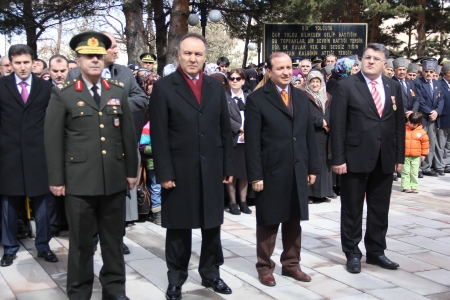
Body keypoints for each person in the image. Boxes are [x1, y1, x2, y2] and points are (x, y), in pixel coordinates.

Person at [44, 31, 138, 300]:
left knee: (113, 243)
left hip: (113, 180)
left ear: (106, 57)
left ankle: (115, 292)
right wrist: (56, 179)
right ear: (79, 60)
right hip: (79, 182)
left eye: (99, 56)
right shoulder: (63, 94)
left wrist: (131, 171)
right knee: (82, 245)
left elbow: (127, 136)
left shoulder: (117, 91)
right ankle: (79, 292)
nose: (95, 60)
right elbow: (53, 140)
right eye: (89, 56)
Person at [149, 33, 235, 300]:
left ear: (205, 57)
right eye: (188, 53)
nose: (193, 58)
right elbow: (159, 135)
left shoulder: (215, 86)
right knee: (178, 228)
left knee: (212, 226)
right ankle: (175, 278)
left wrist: (227, 166)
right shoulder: (164, 87)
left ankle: (211, 274)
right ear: (179, 56)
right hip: (179, 171)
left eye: (198, 54)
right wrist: (164, 172)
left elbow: (224, 130)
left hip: (211, 169)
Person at [245, 52, 319, 287]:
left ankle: (291, 264)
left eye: (289, 67)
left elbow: (308, 134)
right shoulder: (257, 99)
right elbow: (253, 142)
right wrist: (256, 175)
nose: (287, 72)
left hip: (297, 168)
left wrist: (312, 167)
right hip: (271, 170)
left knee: (293, 220)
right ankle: (264, 266)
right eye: (280, 68)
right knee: (268, 221)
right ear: (269, 71)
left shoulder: (300, 96)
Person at [331, 43, 405, 274]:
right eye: (367, 57)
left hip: (385, 158)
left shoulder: (393, 86)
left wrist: (399, 155)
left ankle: (376, 251)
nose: (371, 61)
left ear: (385, 63)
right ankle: (352, 252)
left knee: (380, 209)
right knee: (352, 208)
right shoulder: (347, 86)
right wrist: (338, 159)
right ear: (361, 60)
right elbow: (338, 125)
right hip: (354, 158)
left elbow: (398, 123)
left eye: (376, 58)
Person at [0, 44, 56, 267]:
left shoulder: (46, 88)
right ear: (11, 64)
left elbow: (53, 122)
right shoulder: (1, 87)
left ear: (32, 62)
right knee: (8, 205)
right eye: (17, 63)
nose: (22, 67)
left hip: (39, 154)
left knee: (43, 204)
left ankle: (43, 245)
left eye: (26, 62)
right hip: (8, 156)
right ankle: (9, 247)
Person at [225, 68, 252, 215]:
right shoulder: (224, 98)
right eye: (232, 78)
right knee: (232, 173)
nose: (235, 81)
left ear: (243, 81)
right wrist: (240, 128)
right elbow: (223, 117)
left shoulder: (249, 97)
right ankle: (232, 202)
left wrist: (248, 130)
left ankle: (243, 201)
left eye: (238, 78)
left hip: (247, 141)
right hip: (232, 140)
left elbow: (255, 116)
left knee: (244, 173)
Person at [305, 71, 332, 204]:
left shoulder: (327, 97)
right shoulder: (304, 96)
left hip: (325, 135)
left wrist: (328, 122)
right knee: (312, 161)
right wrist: (322, 123)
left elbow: (332, 113)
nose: (315, 84)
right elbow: (307, 115)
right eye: (312, 82)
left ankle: (323, 193)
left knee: (324, 163)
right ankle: (309, 194)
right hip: (312, 133)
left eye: (317, 81)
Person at [139, 71, 162, 225]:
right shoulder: (149, 126)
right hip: (154, 160)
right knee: (156, 186)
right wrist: (156, 152)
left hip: (168, 159)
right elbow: (143, 145)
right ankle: (157, 213)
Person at [416, 59, 444, 177]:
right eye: (426, 71)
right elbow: (419, 99)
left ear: (434, 72)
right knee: (419, 142)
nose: (428, 74)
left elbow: (441, 99)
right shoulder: (418, 82)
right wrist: (430, 112)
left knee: (431, 142)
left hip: (433, 118)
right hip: (422, 117)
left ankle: (427, 167)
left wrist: (437, 112)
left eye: (431, 72)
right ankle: (417, 168)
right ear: (422, 71)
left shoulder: (438, 83)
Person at [401, 112, 429, 193]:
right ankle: (406, 186)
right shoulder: (404, 129)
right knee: (405, 171)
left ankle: (414, 186)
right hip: (405, 154)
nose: (411, 125)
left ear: (418, 123)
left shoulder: (422, 132)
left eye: (414, 124)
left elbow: (425, 143)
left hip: (416, 155)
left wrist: (424, 154)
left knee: (414, 171)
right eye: (410, 122)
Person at [436, 62, 450, 173]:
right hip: (443, 117)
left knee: (449, 144)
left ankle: (447, 163)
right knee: (441, 143)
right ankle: (439, 165)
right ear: (445, 74)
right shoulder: (440, 84)